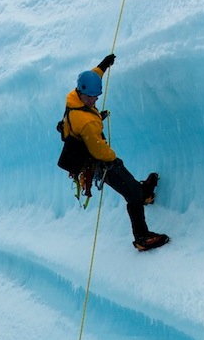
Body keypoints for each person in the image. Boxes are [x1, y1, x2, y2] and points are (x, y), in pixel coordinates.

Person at [60, 54, 170, 252]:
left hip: (88, 151)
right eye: (92, 97)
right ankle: (142, 237)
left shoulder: (75, 96)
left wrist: (104, 65)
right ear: (83, 94)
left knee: (126, 179)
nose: (95, 100)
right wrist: (113, 158)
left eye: (96, 96)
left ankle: (142, 192)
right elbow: (98, 150)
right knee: (129, 191)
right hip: (96, 163)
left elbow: (93, 76)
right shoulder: (87, 122)